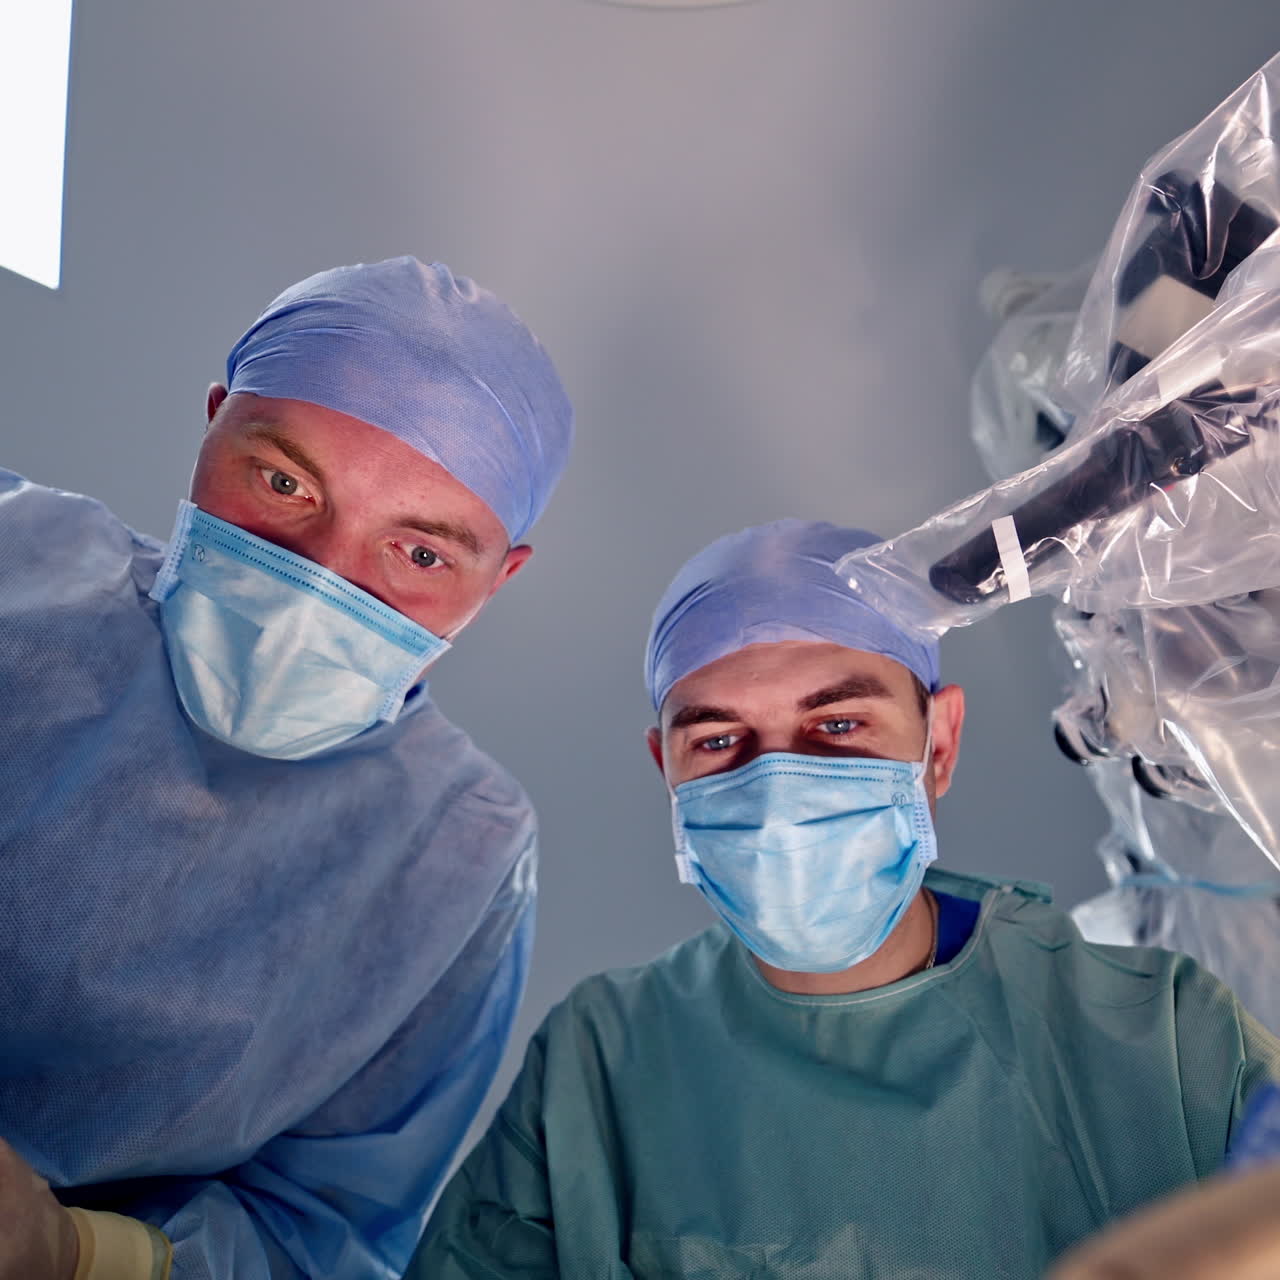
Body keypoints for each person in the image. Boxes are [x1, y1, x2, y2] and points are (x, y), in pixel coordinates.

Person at [412, 519, 1280, 1279]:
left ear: (938, 744)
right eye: (719, 740)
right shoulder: (597, 1066)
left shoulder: (1162, 1039)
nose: (779, 781)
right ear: (666, 771)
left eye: (837, 726)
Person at [0, 257, 573, 1280]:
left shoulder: (460, 858)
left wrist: (69, 1247)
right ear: (215, 419)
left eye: (420, 554)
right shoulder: (13, 563)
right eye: (283, 483)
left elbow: (321, 1235)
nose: (318, 578)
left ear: (502, 576)